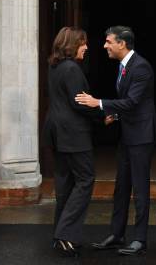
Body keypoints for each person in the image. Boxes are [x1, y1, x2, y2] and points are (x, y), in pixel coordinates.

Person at [75, 26, 156, 256]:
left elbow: (133, 101)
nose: (105, 46)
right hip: (127, 133)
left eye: (108, 42)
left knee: (140, 188)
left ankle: (140, 240)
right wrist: (116, 114)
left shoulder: (141, 66)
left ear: (122, 44)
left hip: (142, 136)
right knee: (121, 186)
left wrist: (99, 103)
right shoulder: (123, 66)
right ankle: (117, 234)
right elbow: (130, 103)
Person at [43, 26, 104, 257]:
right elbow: (81, 102)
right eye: (83, 43)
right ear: (72, 45)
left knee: (65, 184)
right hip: (72, 134)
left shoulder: (55, 65)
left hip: (57, 133)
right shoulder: (71, 69)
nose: (87, 47)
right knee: (86, 179)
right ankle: (66, 234)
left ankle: (61, 236)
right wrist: (102, 113)